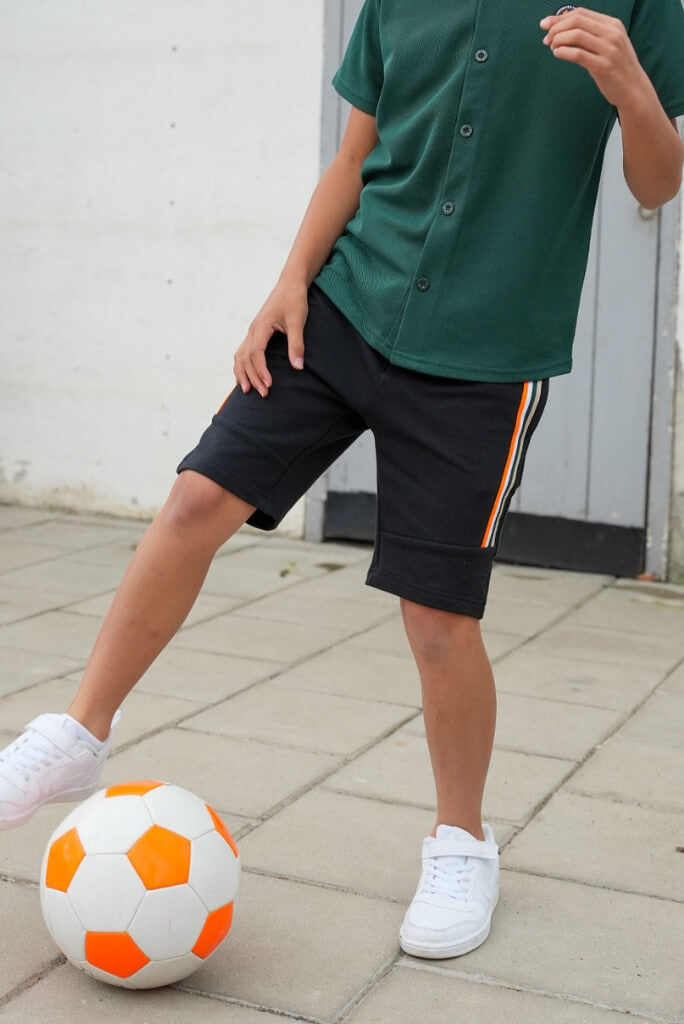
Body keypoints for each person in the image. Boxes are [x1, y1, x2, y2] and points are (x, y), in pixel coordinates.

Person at [1, 2, 683, 961]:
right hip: (346, 302)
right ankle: (77, 734)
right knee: (198, 496)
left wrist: (630, 87)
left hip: (485, 354)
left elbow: (659, 179)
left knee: (436, 615)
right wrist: (289, 280)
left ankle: (461, 844)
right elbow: (356, 157)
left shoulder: (641, 7)